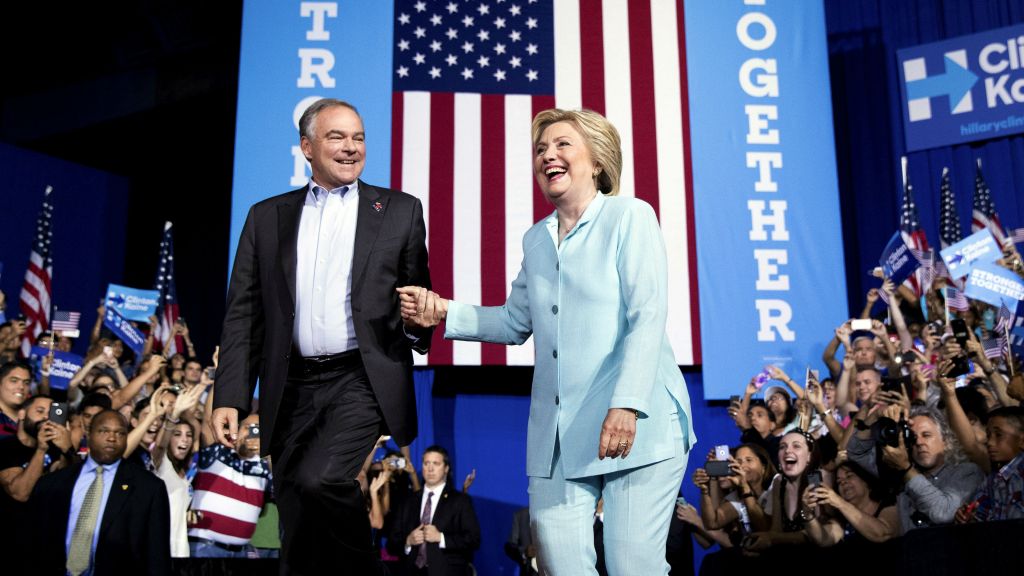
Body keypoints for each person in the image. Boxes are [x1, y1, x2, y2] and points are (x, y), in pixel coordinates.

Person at [399, 108, 695, 575]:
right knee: (558, 565)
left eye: (561, 145)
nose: (547, 156)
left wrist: (627, 403)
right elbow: (514, 322)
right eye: (540, 149)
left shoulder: (629, 217)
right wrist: (442, 312)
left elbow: (648, 315)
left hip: (639, 421)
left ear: (597, 161)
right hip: (559, 435)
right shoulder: (537, 240)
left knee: (631, 564)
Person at [212, 97, 432, 574]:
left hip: (360, 378)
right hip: (289, 384)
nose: (351, 147)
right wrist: (229, 395)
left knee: (321, 480)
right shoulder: (265, 217)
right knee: (295, 510)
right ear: (306, 147)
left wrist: (421, 322)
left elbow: (418, 296)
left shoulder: (399, 211)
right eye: (337, 137)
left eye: (358, 137)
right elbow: (243, 315)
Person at [30, 410, 171, 576]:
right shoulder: (53, 483)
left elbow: (157, 556)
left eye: (120, 433)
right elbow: (32, 543)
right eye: (104, 431)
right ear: (88, 434)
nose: (112, 438)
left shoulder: (149, 488)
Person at [389, 446, 480, 575]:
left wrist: (441, 538)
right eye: (426, 463)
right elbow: (391, 543)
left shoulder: (460, 501)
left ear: (446, 469)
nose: (430, 468)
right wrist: (408, 541)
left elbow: (473, 540)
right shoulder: (408, 501)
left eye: (436, 463)